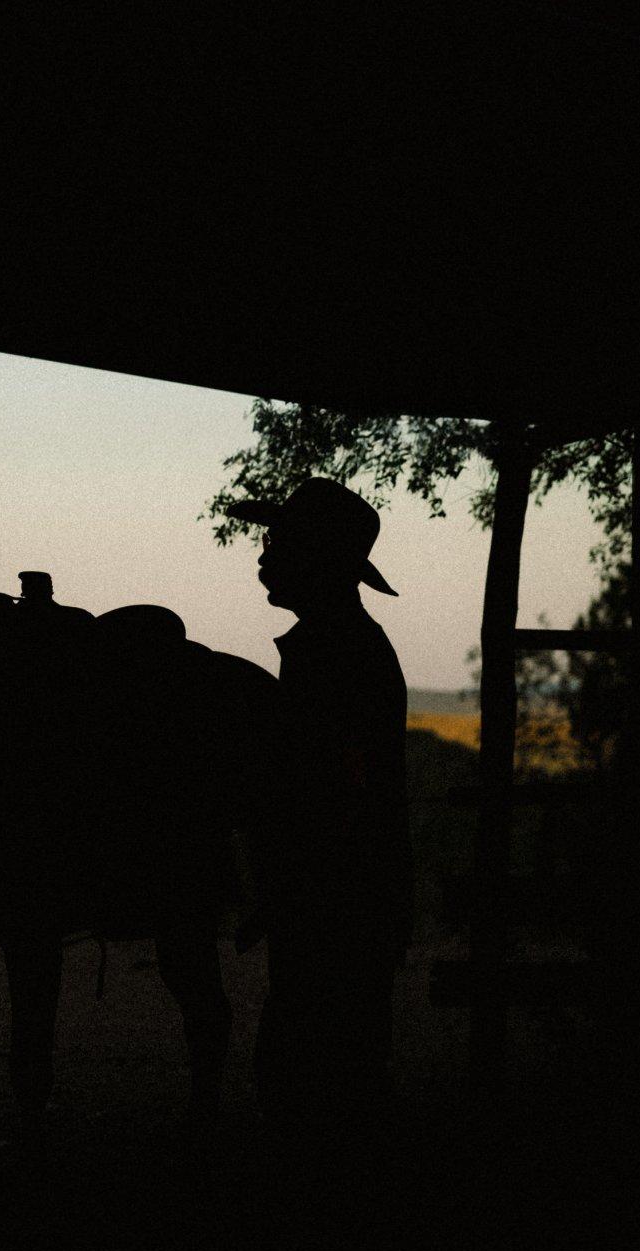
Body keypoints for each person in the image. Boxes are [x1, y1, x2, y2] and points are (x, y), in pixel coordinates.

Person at [231, 477, 411, 1152]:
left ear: (317, 559)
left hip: (337, 908)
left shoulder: (334, 655)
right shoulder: (343, 645)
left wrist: (290, 883)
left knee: (314, 1079)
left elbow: (333, 796)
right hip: (345, 902)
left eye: (279, 541)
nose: (264, 553)